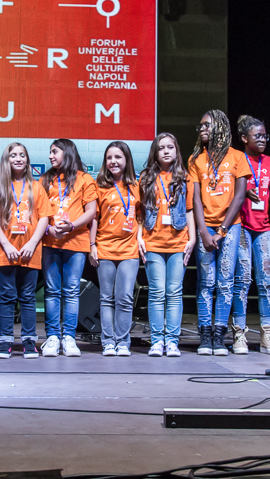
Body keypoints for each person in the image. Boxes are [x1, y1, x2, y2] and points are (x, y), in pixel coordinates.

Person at [0, 143, 50, 359]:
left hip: (31, 251)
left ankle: (29, 341)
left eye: (22, 155)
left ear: (28, 160)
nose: (18, 158)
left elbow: (45, 217)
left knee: (28, 296)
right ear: (6, 160)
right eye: (13, 155)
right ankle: (5, 341)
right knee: (8, 296)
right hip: (6, 251)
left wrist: (31, 243)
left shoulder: (36, 187)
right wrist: (7, 245)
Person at [188, 110, 249, 356]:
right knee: (206, 282)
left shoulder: (237, 157)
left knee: (225, 281)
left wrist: (222, 230)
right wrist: (203, 231)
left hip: (230, 226)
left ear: (221, 127)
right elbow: (194, 199)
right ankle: (205, 334)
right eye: (200, 125)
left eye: (207, 125)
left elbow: (240, 196)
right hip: (206, 227)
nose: (202, 129)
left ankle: (219, 335)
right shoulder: (195, 160)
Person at [138, 133, 196, 357]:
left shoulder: (184, 177)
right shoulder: (146, 177)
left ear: (176, 150)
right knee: (157, 291)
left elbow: (189, 209)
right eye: (161, 148)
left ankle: (172, 341)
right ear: (155, 151)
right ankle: (156, 340)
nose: (166, 151)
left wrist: (191, 238)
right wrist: (139, 237)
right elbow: (140, 212)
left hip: (178, 241)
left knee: (174, 291)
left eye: (170, 147)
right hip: (153, 241)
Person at [40, 138, 98, 357]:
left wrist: (72, 225)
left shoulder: (84, 179)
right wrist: (48, 229)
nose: (50, 156)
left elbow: (91, 211)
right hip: (50, 242)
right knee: (52, 291)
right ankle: (53, 337)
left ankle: (69, 338)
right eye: (50, 152)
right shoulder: (45, 179)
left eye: (55, 152)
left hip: (76, 243)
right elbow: (39, 211)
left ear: (67, 152)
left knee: (72, 291)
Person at [230, 115, 270, 355]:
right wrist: (243, 191)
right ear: (244, 138)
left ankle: (267, 334)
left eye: (264, 136)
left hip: (264, 228)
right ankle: (239, 332)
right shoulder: (236, 159)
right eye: (257, 136)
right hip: (241, 226)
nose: (262, 139)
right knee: (241, 281)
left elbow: (268, 193)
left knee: (267, 281)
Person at [90, 141, 142, 357]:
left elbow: (140, 217)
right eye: (109, 158)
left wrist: (140, 239)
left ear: (127, 160)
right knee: (106, 298)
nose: (113, 161)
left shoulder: (137, 186)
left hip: (129, 249)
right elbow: (93, 218)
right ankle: (108, 341)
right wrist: (92, 245)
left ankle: (122, 341)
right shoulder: (99, 186)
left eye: (118, 157)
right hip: (105, 248)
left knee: (125, 298)